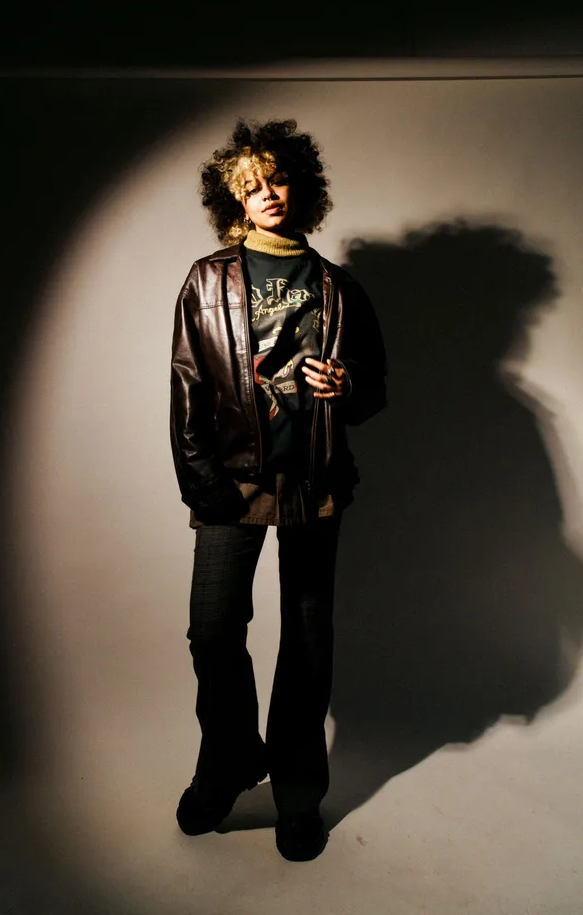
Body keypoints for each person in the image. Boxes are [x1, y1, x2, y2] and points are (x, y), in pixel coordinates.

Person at [170, 117, 387, 861]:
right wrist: (203, 484)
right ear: (233, 198)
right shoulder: (207, 279)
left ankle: (298, 794)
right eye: (251, 185)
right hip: (230, 480)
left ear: (302, 188)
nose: (267, 194)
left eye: (278, 179)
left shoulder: (338, 287)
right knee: (213, 630)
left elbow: (373, 391)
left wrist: (347, 386)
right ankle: (230, 761)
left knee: (307, 640)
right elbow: (188, 385)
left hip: (314, 482)